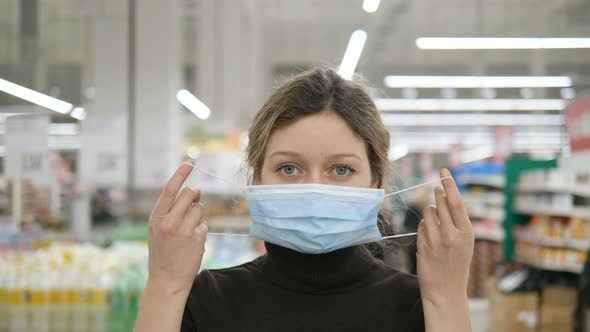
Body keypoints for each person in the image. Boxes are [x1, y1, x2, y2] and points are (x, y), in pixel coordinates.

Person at [133, 68, 474, 332]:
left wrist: (448, 298)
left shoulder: (421, 306)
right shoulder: (203, 300)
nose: (313, 188)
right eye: (289, 167)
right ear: (257, 178)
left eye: (341, 169)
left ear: (376, 181)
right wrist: (164, 285)